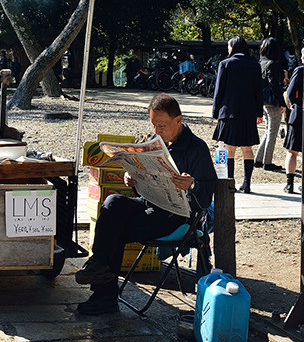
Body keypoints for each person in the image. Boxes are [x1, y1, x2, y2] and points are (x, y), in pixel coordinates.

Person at [74, 93, 216, 315]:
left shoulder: (196, 148)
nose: (157, 131)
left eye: (162, 125)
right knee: (113, 202)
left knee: (114, 229)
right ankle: (99, 266)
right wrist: (132, 179)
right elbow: (145, 181)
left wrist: (192, 184)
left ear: (178, 120)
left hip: (175, 215)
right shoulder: (154, 141)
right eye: (153, 125)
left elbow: (205, 198)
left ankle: (104, 295)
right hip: (149, 202)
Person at [212, 36, 263, 193]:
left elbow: (219, 90)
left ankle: (230, 182)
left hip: (229, 112)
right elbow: (258, 92)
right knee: (247, 149)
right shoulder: (255, 65)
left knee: (230, 148)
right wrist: (259, 113)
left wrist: (215, 111)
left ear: (233, 47)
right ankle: (247, 183)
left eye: (229, 46)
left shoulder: (225, 64)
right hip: (248, 113)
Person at [255, 38, 286, 172]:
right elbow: (275, 85)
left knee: (268, 131)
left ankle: (258, 159)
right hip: (272, 102)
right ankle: (267, 162)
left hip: (263, 101)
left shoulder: (261, 63)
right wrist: (282, 102)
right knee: (272, 133)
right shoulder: (273, 64)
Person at [283, 49, 304, 194]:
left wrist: (295, 102)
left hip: (298, 114)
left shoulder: (300, 70)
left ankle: (289, 184)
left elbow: (290, 93)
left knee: (292, 151)